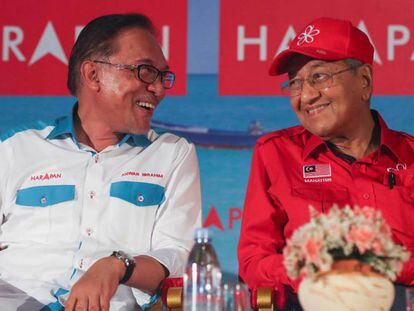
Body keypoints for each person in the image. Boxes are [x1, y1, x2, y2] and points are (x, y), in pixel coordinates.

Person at [0, 13, 201, 310]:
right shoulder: (16, 148)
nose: (158, 89)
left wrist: (116, 266)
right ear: (93, 75)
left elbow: (178, 256)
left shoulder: (172, 154)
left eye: (163, 77)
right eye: (145, 71)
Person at [238, 17, 414, 309]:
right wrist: (319, 273)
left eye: (319, 77)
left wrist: (373, 269)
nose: (306, 95)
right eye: (295, 82)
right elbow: (254, 261)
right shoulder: (275, 153)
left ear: (365, 82)